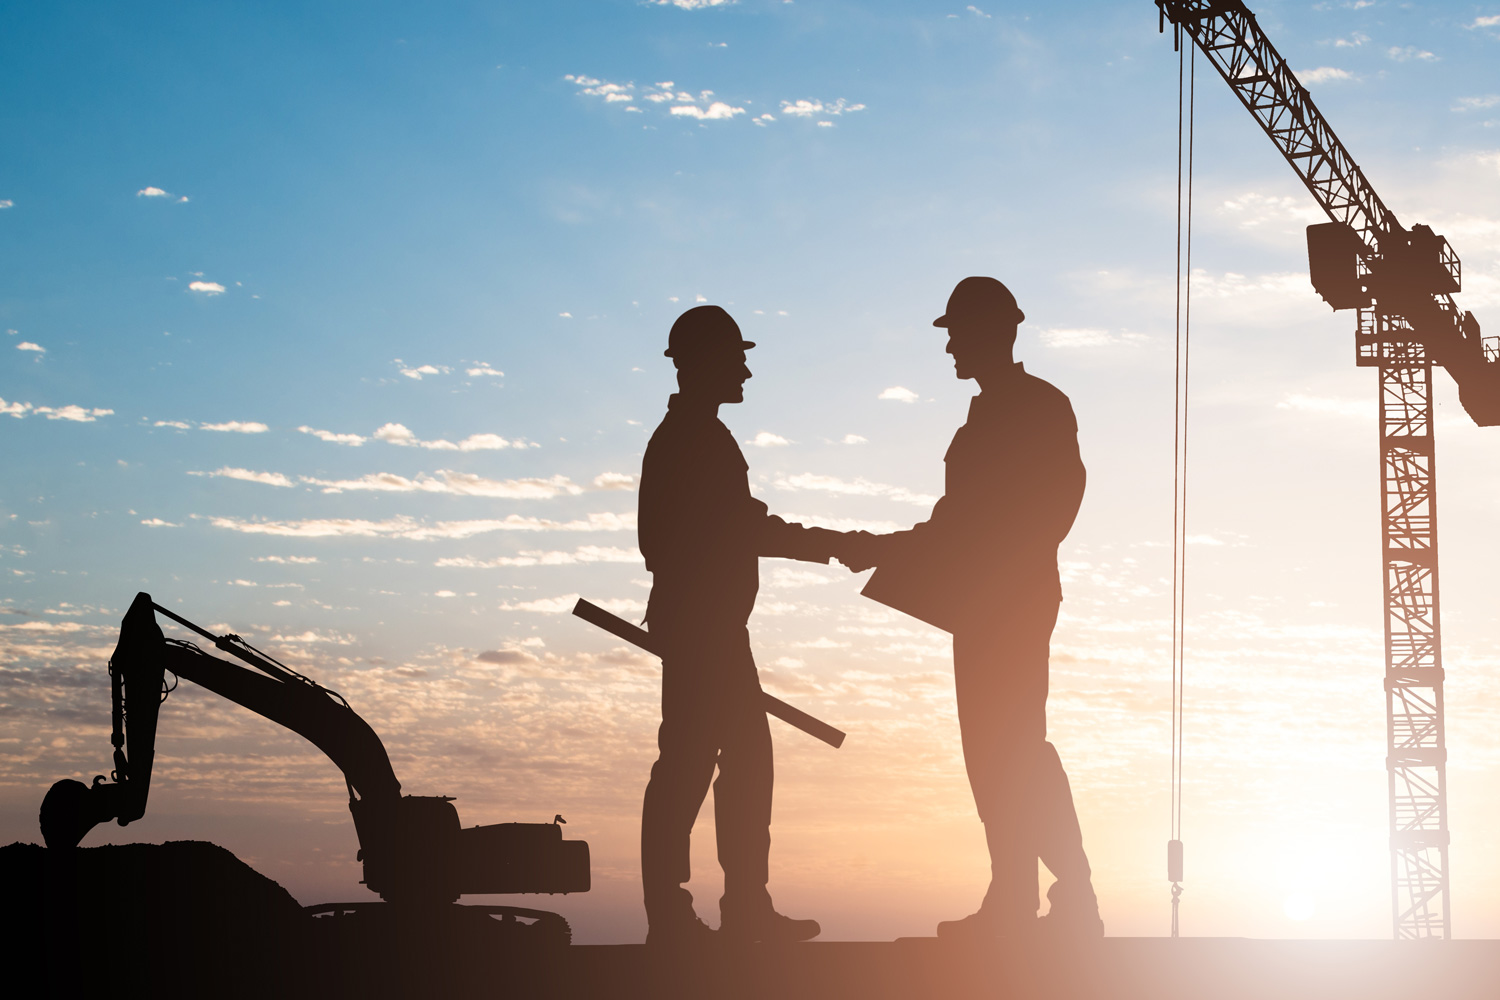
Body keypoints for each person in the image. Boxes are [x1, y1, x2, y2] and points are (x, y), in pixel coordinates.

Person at [842, 276, 1103, 941]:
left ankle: (1066, 894)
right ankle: (1016, 896)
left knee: (1015, 748)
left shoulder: (1039, 407)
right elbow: (956, 522)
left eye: (957, 332)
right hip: (983, 604)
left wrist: (985, 561)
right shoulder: (987, 414)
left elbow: (1052, 502)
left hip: (1009, 604)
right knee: (993, 753)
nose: (950, 345)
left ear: (992, 333)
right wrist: (892, 549)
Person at [637, 304, 852, 947]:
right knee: (692, 764)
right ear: (704, 363)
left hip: (714, 625)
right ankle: (685, 912)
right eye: (737, 359)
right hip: (705, 628)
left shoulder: (698, 436)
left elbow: (732, 526)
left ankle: (731, 906)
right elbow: (733, 529)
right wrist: (834, 544)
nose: (747, 372)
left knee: (730, 762)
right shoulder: (690, 440)